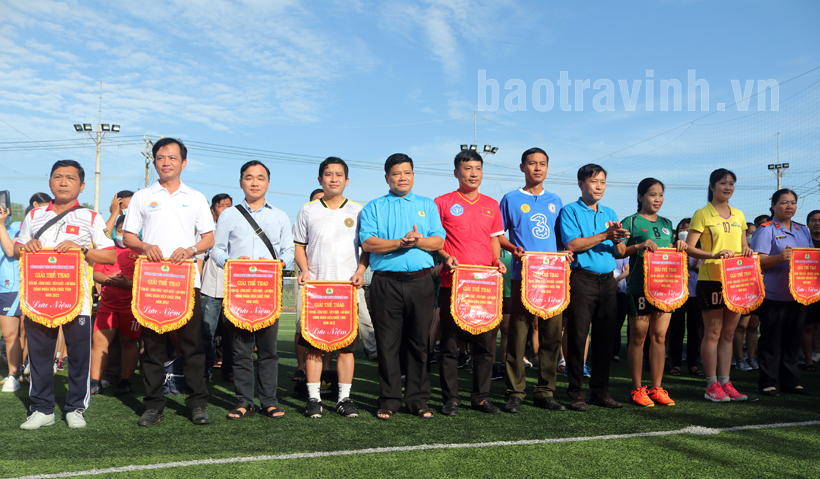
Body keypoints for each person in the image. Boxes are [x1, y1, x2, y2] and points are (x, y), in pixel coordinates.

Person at [14, 160, 116, 429]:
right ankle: (42, 409)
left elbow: (110, 255)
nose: (63, 182)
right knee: (39, 356)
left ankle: (75, 408)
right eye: (57, 176)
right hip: (39, 297)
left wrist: (82, 250)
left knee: (79, 357)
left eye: (70, 178)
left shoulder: (91, 217)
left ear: (81, 186)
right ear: (49, 182)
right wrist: (27, 246)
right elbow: (16, 248)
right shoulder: (34, 216)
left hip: (77, 301)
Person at [123, 137, 214, 426]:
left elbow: (209, 238)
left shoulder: (196, 197)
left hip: (185, 280)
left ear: (183, 163)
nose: (166, 162)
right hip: (151, 282)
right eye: (161, 157)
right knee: (152, 346)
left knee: (192, 345)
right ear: (154, 161)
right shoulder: (142, 196)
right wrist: (144, 246)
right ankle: (153, 405)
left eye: (172, 157)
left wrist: (190, 250)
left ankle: (197, 403)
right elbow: (128, 236)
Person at [360, 153, 445, 419]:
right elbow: (368, 243)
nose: (402, 178)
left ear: (413, 175)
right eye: (396, 173)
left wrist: (417, 241)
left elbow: (438, 241)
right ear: (387, 178)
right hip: (385, 283)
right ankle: (389, 399)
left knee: (419, 343)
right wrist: (400, 243)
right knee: (387, 344)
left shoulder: (427, 205)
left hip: (421, 282)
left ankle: (418, 399)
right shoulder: (374, 207)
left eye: (407, 172)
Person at [212, 160, 294, 419]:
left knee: (268, 351)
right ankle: (243, 401)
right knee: (240, 350)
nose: (255, 182)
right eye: (249, 177)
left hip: (268, 291)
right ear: (241, 182)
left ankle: (269, 401)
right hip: (239, 292)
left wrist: (280, 263)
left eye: (260, 178)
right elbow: (216, 249)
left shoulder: (280, 216)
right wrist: (230, 262)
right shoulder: (229, 215)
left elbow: (289, 250)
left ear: (268, 183)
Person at [293, 157, 370, 419]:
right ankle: (314, 399)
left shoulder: (359, 211)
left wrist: (360, 272)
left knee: (346, 348)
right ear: (320, 179)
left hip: (346, 291)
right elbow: (299, 246)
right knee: (314, 346)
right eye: (328, 174)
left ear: (347, 180)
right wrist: (305, 270)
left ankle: (344, 398)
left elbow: (366, 248)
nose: (333, 179)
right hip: (316, 291)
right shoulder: (308, 210)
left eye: (339, 175)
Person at [435, 149, 506, 416]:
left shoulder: (492, 204)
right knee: (450, 344)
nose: (473, 173)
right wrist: (445, 256)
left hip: (485, 286)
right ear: (456, 172)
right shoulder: (442, 202)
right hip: (453, 284)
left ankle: (481, 397)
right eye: (467, 168)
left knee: (486, 345)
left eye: (477, 168)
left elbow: (494, 238)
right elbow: (435, 239)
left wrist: (497, 260)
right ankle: (451, 399)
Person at [498, 147, 568, 413]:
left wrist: (565, 253)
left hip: (552, 278)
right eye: (532, 163)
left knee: (551, 335)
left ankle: (545, 391)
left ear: (547, 168)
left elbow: (562, 239)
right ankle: (515, 392)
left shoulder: (555, 200)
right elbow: (498, 234)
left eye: (542, 164)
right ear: (522, 167)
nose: (537, 168)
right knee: (518, 335)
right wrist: (512, 248)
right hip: (523, 276)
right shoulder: (510, 199)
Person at [559, 164, 629, 411]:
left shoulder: (610, 212)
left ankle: (601, 392)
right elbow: (572, 245)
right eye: (593, 181)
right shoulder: (570, 210)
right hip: (582, 279)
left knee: (605, 338)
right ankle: (576, 393)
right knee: (578, 337)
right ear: (581, 184)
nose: (599, 186)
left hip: (608, 281)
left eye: (602, 182)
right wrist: (606, 235)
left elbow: (620, 252)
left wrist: (618, 238)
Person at [684, 168, 752, 402]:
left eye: (731, 183)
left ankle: (726, 382)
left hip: (736, 280)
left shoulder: (739, 215)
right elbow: (689, 248)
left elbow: (743, 245)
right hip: (711, 279)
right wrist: (714, 254)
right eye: (723, 183)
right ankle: (711, 384)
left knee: (729, 333)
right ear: (712, 186)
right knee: (712, 333)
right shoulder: (702, 214)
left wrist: (747, 250)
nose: (727, 187)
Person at [621, 178, 686, 407]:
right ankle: (637, 389)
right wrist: (639, 246)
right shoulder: (630, 221)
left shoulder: (667, 223)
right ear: (640, 197)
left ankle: (657, 388)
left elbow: (670, 254)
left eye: (660, 195)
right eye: (652, 194)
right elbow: (619, 252)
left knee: (659, 337)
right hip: (639, 287)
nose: (657, 199)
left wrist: (679, 247)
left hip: (664, 289)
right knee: (638, 338)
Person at [751, 189, 813, 396]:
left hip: (799, 294)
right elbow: (757, 261)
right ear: (773, 205)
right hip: (773, 295)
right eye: (784, 202)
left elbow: (810, 258)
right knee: (771, 340)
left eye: (793, 202)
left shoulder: (802, 230)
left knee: (793, 340)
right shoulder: (766, 229)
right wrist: (779, 257)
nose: (789, 206)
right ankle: (767, 382)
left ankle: (791, 381)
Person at [90, 216, 140, 396]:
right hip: (107, 305)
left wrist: (129, 284)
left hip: (131, 308)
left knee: (129, 342)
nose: (122, 235)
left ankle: (125, 381)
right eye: (119, 231)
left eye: (127, 231)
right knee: (99, 342)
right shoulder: (107, 250)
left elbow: (147, 279)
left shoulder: (141, 253)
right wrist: (108, 280)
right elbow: (96, 274)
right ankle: (95, 382)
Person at [200, 193, 233, 382]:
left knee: (231, 334)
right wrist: (197, 287)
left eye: (229, 205)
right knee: (207, 333)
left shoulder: (238, 230)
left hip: (232, 291)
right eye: (221, 206)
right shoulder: (206, 232)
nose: (225, 209)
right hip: (209, 288)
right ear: (213, 211)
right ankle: (205, 370)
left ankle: (229, 370)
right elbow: (198, 260)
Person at [667, 218, 704, 377]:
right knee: (676, 329)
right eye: (683, 229)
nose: (685, 232)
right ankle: (675, 363)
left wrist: (696, 266)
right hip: (677, 295)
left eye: (689, 229)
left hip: (695, 294)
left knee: (694, 330)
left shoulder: (701, 250)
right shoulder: (671, 249)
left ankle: (692, 364)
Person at [0, 203, 23, 392]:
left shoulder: (17, 227)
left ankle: (14, 375)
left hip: (9, 287)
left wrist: (1, 224)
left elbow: (10, 251)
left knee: (10, 335)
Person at [802, 210, 820, 372]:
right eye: (813, 220)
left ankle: (817, 352)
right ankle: (808, 360)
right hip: (809, 290)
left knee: (816, 326)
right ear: (807, 224)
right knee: (808, 326)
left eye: (819, 220)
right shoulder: (803, 243)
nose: (817, 223)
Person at [612, 257, 629, 362]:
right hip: (606, 289)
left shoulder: (624, 254)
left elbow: (627, 270)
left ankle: (615, 352)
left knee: (617, 323)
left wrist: (617, 280)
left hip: (621, 291)